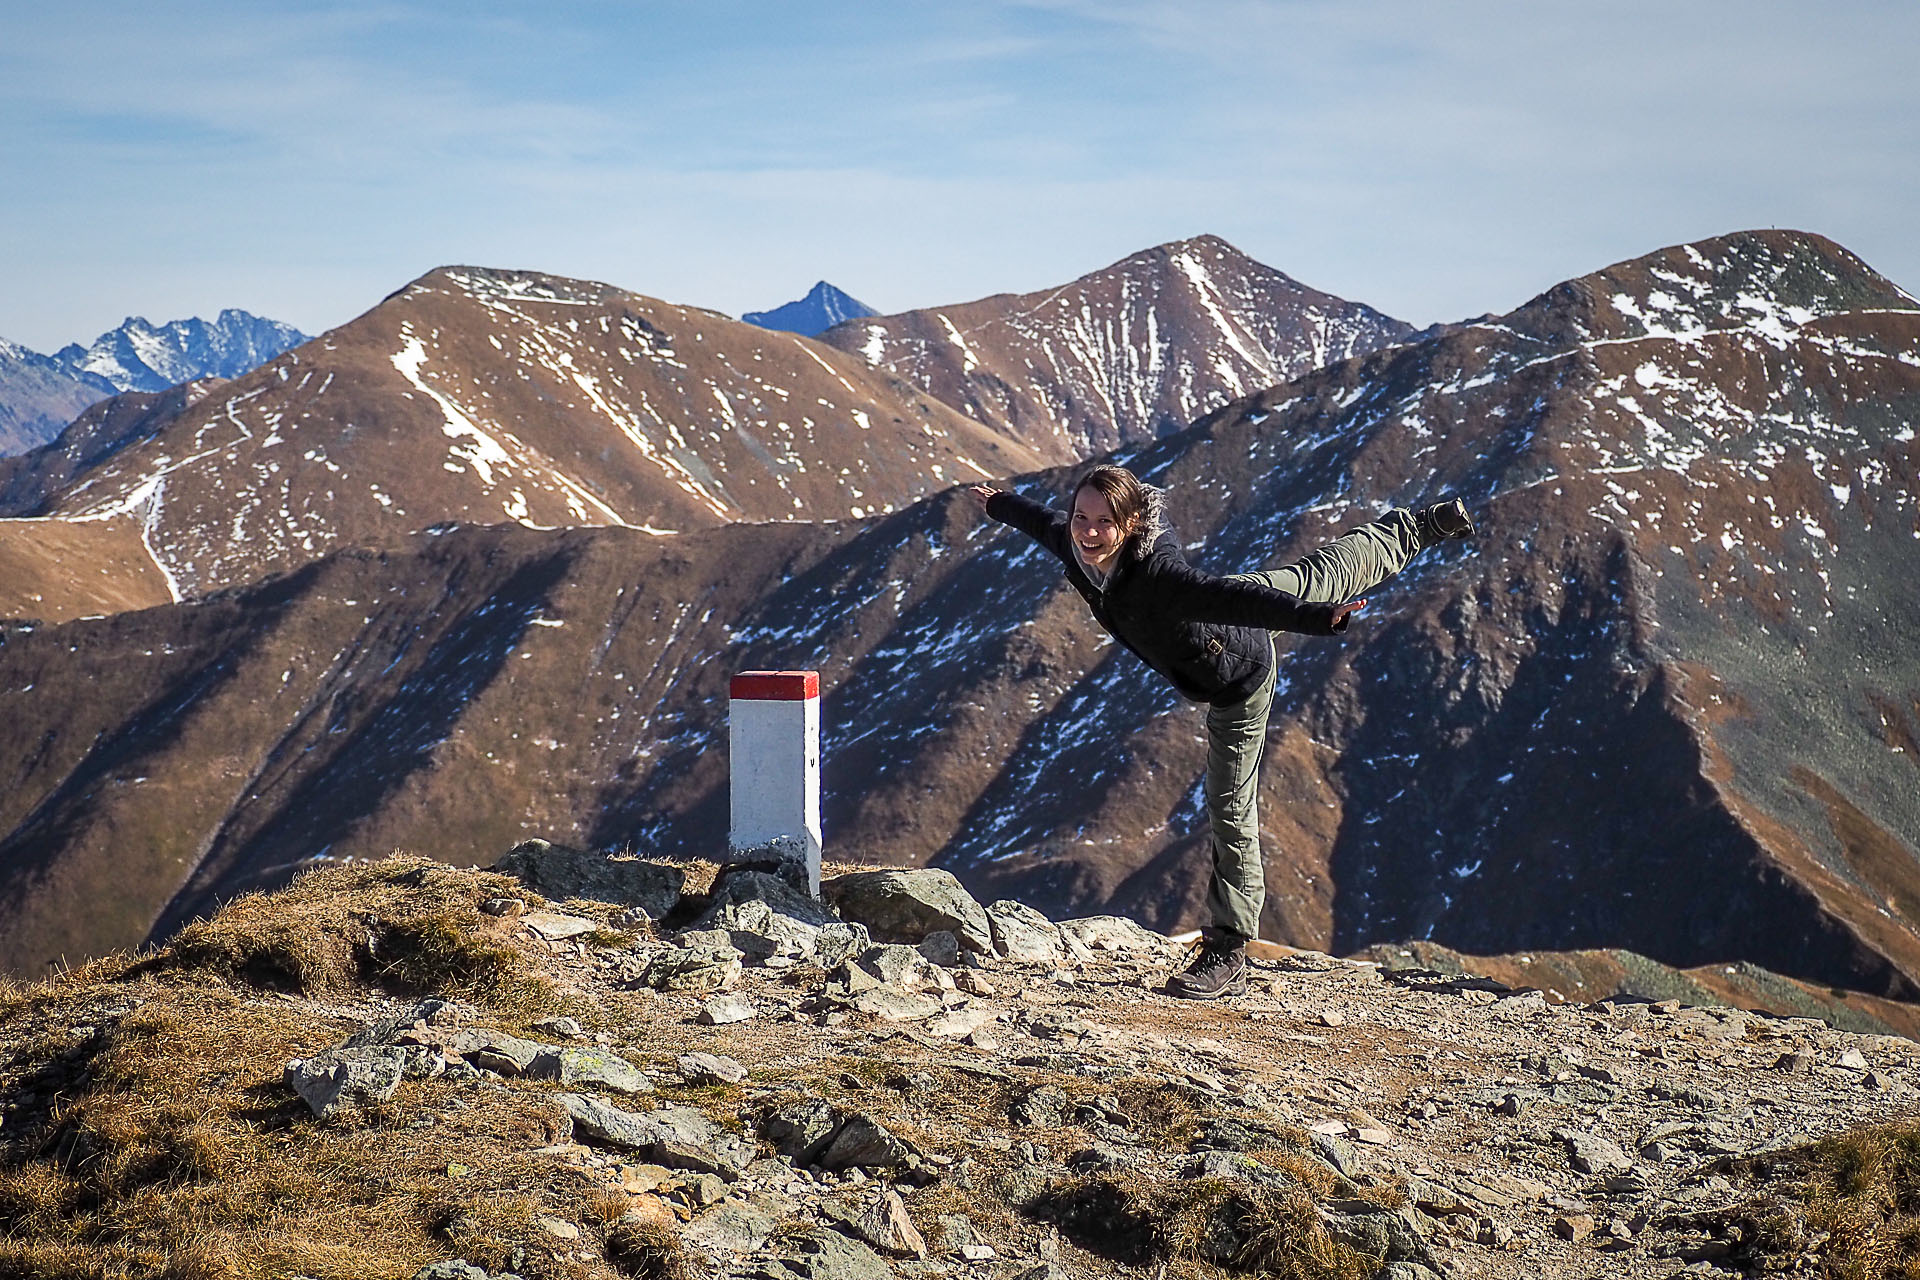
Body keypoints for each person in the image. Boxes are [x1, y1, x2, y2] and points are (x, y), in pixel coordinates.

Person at [968, 465, 1473, 999]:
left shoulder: (1161, 578)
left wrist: (1322, 623)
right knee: (1325, 569)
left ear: (1133, 523)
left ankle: (1228, 947)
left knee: (1228, 804)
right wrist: (999, 503)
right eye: (1082, 518)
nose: (1088, 532)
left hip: (1238, 675)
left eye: (1103, 522)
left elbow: (1236, 605)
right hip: (1225, 615)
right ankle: (1417, 527)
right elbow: (1044, 523)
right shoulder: (1078, 546)